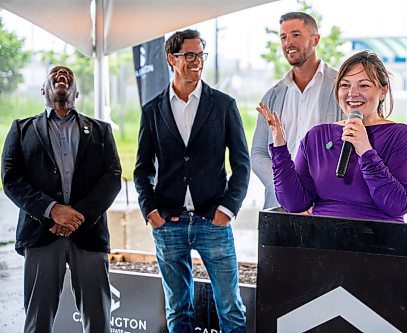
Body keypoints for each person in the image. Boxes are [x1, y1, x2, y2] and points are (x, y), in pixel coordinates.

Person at [134, 29, 250, 333]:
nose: (197, 61)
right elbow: (142, 169)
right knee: (178, 310)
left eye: (201, 54)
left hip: (213, 222)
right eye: (189, 55)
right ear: (172, 59)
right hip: (168, 223)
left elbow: (241, 164)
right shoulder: (152, 111)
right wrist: (151, 213)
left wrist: (228, 209)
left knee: (230, 308)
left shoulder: (224, 105)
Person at [1, 66, 122, 332]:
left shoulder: (101, 131)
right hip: (41, 234)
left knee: (99, 322)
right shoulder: (21, 130)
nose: (61, 75)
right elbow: (11, 179)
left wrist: (78, 217)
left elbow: (112, 176)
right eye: (54, 74)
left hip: (89, 235)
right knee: (37, 322)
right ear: (43, 89)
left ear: (76, 92)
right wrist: (51, 210)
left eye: (68, 75)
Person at [257, 50, 407, 222]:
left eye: (364, 85)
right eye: (345, 85)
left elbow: (398, 204)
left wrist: (366, 151)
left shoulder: (400, 136)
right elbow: (295, 203)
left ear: (383, 91)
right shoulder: (317, 136)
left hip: (380, 243)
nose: (352, 92)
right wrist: (279, 148)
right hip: (321, 241)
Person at [252, 11, 343, 209]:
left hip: (325, 205)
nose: (288, 43)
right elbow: (258, 154)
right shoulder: (272, 96)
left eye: (296, 35)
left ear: (315, 39)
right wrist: (284, 188)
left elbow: (348, 150)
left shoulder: (341, 88)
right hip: (279, 204)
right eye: (283, 37)